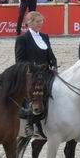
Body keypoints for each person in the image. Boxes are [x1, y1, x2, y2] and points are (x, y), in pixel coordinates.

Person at [14, 10, 58, 138]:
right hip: (31, 74)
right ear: (30, 23)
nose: (41, 23)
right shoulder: (22, 39)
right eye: (38, 21)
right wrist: (36, 68)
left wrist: (54, 65)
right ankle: (30, 122)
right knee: (37, 92)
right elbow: (20, 61)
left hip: (47, 72)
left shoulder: (45, 36)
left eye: (41, 21)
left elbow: (51, 56)